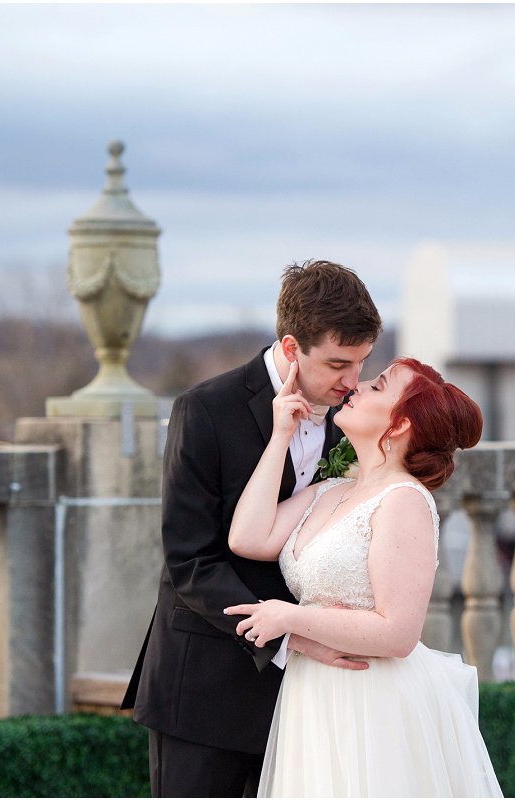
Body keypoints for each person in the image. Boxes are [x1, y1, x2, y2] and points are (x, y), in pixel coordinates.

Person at [121, 260, 383, 797]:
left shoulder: (353, 416)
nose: (351, 383)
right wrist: (291, 636)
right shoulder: (204, 411)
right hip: (203, 688)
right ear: (291, 348)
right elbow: (191, 560)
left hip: (309, 695)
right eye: (338, 363)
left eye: (361, 363)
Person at [225, 357, 503, 797]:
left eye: (379, 387)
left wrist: (290, 618)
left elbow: (398, 632)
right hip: (312, 695)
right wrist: (281, 435)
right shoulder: (330, 490)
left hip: (371, 700)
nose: (360, 385)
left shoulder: (404, 500)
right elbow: (247, 537)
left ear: (397, 426)